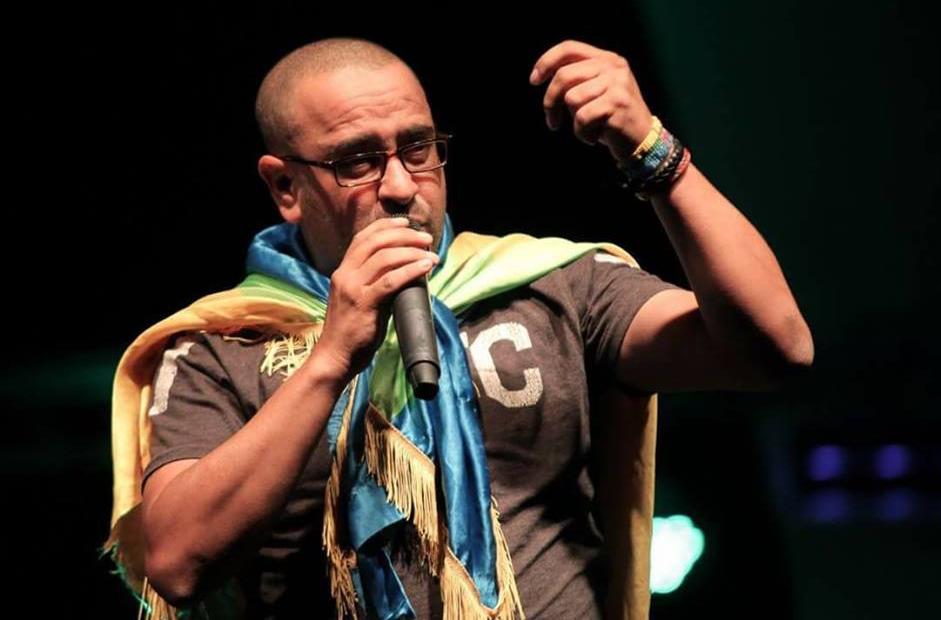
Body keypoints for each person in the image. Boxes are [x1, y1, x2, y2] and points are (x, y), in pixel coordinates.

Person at [103, 37, 813, 620]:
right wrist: (331, 356)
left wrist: (653, 152)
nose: (400, 187)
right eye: (357, 161)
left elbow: (773, 349)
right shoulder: (219, 345)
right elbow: (178, 564)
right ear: (286, 186)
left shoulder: (550, 283)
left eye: (418, 148)